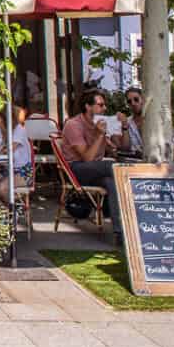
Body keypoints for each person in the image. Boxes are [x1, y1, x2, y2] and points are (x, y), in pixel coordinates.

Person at [62, 89, 123, 239]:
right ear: (88, 107)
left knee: (111, 181)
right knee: (114, 167)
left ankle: (120, 231)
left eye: (104, 105)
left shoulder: (102, 123)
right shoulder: (73, 125)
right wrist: (99, 135)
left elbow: (118, 148)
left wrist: (122, 127)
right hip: (76, 169)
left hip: (96, 169)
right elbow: (87, 158)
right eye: (100, 105)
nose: (104, 108)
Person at [0, 106, 34, 205]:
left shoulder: (19, 129)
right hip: (5, 167)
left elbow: (8, 151)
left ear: (4, 116)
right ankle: (0, 211)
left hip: (22, 170)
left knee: (1, 187)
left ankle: (13, 210)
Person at [122, 86, 174, 156]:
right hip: (136, 163)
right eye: (129, 101)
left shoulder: (159, 120)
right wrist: (124, 126)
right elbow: (125, 149)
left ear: (143, 99)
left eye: (136, 99)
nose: (133, 103)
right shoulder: (128, 122)